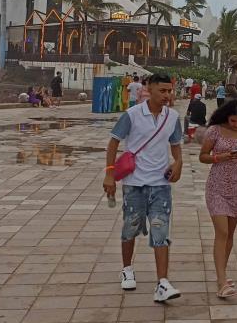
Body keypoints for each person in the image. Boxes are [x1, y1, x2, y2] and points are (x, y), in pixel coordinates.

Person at [103, 72, 184, 303]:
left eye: (170, 91)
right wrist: (110, 174)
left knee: (161, 231)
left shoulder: (173, 116)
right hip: (135, 183)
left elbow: (176, 145)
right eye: (163, 91)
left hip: (160, 185)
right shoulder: (132, 114)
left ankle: (162, 283)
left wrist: (178, 164)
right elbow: (113, 143)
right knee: (130, 227)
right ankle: (127, 268)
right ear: (149, 89)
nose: (167, 95)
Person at [199, 99, 237, 298]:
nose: (236, 125)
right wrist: (219, 157)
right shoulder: (215, 131)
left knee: (230, 234)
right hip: (216, 186)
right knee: (222, 232)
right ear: (227, 117)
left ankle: (222, 276)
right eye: (233, 121)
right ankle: (222, 281)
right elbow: (203, 156)